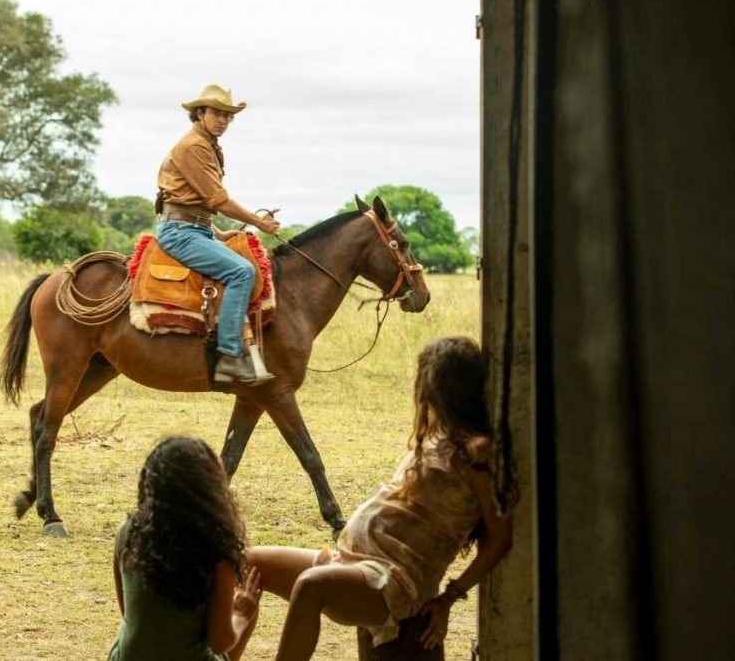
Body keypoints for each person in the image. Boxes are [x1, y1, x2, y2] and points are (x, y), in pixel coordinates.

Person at [247, 336, 516, 660]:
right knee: (247, 562)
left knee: (310, 585)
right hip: (351, 561)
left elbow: (500, 537)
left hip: (393, 581)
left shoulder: (476, 451)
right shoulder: (435, 435)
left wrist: (450, 596)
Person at [156, 84, 281, 384]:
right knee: (242, 272)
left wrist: (216, 232)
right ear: (200, 113)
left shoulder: (208, 145)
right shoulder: (194, 147)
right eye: (216, 113)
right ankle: (228, 356)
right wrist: (258, 222)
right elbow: (217, 200)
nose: (223, 120)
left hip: (195, 228)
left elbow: (190, 198)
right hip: (180, 232)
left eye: (228, 115)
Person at [108, 437, 263, 661]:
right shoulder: (218, 547)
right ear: (211, 490)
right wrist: (240, 615)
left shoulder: (127, 531)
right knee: (248, 603)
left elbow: (127, 611)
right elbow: (220, 643)